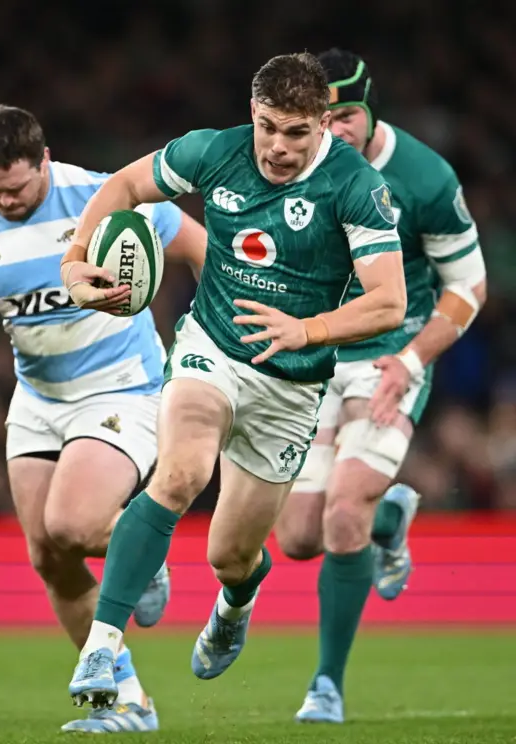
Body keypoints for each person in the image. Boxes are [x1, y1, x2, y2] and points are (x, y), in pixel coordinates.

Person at [58, 52, 407, 710]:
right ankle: (103, 644)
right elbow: (124, 187)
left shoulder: (354, 186)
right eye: (268, 126)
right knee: (181, 471)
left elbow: (388, 301)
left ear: (324, 124)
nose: (278, 146)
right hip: (212, 348)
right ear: (253, 113)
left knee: (232, 555)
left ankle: (236, 603)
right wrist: (75, 259)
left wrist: (308, 330)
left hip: (293, 385)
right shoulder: (213, 152)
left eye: (297, 132)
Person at [0, 104, 207, 734]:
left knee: (75, 522)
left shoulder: (103, 198)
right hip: (37, 399)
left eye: (18, 187)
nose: (4, 200)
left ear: (46, 162)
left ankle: (140, 550)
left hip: (122, 386)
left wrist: (208, 339)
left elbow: (202, 249)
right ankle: (128, 703)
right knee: (47, 555)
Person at [274, 49, 487, 723]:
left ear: (370, 110)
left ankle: (326, 687)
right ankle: (389, 519)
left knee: (341, 516)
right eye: (320, 119)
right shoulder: (287, 166)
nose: (333, 132)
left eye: (345, 117)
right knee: (298, 539)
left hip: (389, 356)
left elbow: (469, 285)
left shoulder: (423, 177)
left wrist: (414, 359)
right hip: (314, 357)